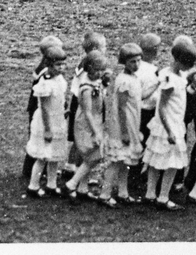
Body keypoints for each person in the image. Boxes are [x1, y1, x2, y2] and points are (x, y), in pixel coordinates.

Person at [142, 35, 196, 210]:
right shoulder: (171, 81)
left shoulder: (170, 72)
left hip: (170, 123)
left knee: (156, 159)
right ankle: (163, 197)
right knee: (172, 163)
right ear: (181, 63)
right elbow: (162, 107)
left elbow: (179, 94)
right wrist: (169, 131)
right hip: (169, 125)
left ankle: (151, 193)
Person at [99, 42, 144, 208]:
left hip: (133, 123)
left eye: (139, 60)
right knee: (117, 161)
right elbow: (121, 108)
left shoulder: (134, 78)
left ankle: (123, 192)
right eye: (132, 61)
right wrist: (124, 132)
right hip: (122, 126)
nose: (136, 64)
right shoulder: (124, 81)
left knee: (126, 161)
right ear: (124, 62)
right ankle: (104, 194)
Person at [25, 41, 69, 198]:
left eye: (63, 65)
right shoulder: (45, 82)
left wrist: (64, 110)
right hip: (47, 122)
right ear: (49, 65)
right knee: (43, 156)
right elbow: (43, 108)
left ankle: (52, 184)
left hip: (58, 119)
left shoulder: (59, 79)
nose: (61, 68)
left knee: (54, 156)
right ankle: (33, 185)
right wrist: (48, 129)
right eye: (58, 65)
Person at [65, 50, 107, 200]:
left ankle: (82, 188)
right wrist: (96, 132)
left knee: (89, 156)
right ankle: (72, 183)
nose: (99, 73)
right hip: (87, 124)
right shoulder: (87, 88)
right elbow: (88, 112)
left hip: (95, 121)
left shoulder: (96, 83)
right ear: (88, 68)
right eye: (96, 70)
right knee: (93, 156)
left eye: (102, 70)